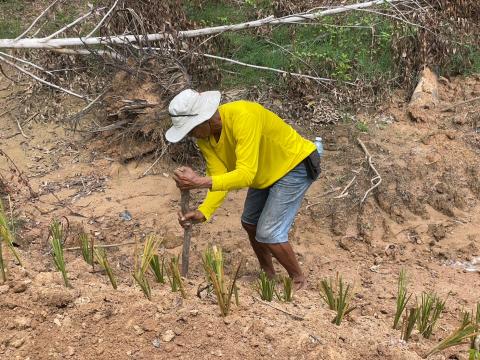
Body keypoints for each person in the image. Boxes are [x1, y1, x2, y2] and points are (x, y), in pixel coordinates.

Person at [166, 89, 320, 289]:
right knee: (250, 223)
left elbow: (245, 174)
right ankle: (268, 275)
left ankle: (298, 279)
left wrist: (198, 182)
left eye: (191, 129)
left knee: (269, 232)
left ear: (205, 120)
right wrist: (203, 212)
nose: (191, 135)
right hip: (264, 172)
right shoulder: (205, 138)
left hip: (294, 164)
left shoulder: (244, 117)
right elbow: (219, 177)